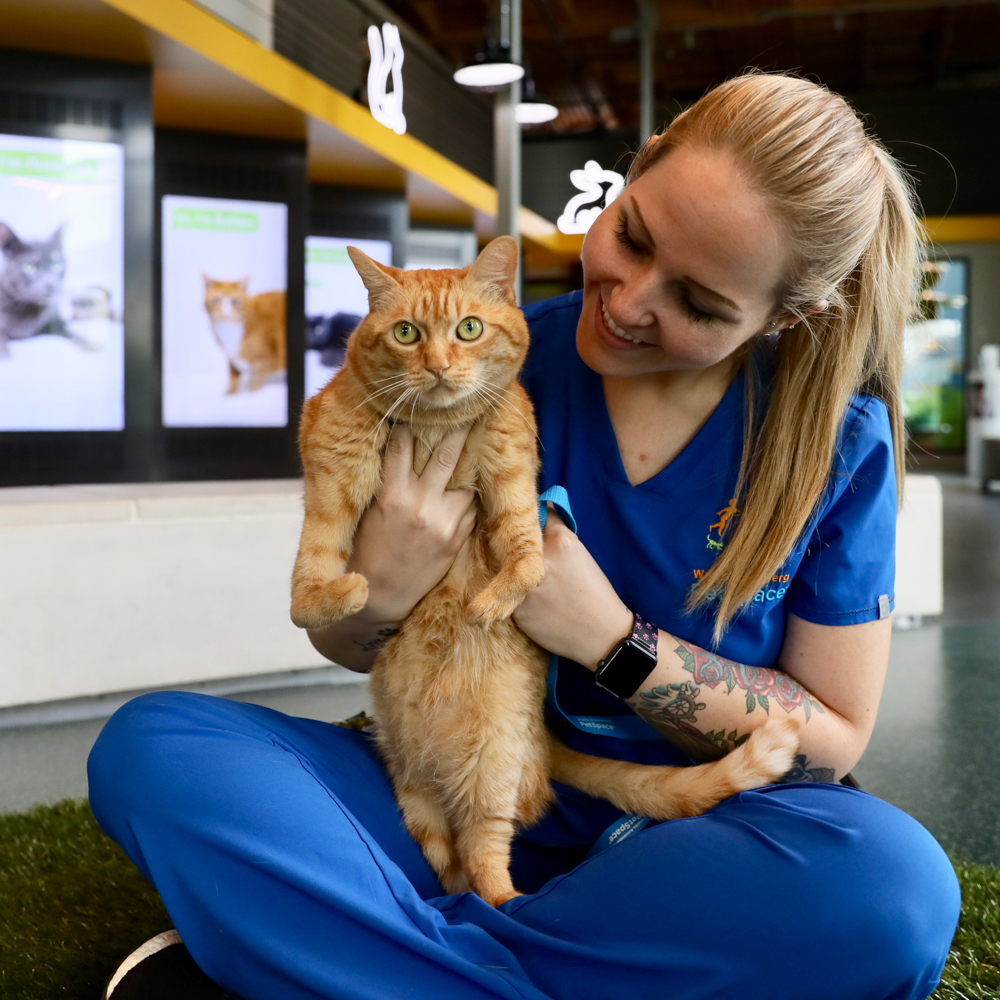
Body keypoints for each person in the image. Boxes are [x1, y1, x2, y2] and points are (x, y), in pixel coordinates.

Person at [90, 73, 960, 1000]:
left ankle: (363, 947)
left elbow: (829, 743)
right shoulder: (462, 357)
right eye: (630, 234)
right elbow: (344, 639)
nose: (626, 302)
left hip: (692, 842)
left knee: (894, 892)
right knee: (157, 745)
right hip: (446, 790)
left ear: (787, 317)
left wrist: (607, 638)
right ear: (634, 172)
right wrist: (380, 589)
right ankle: (503, 959)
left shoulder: (835, 445)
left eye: (698, 305)